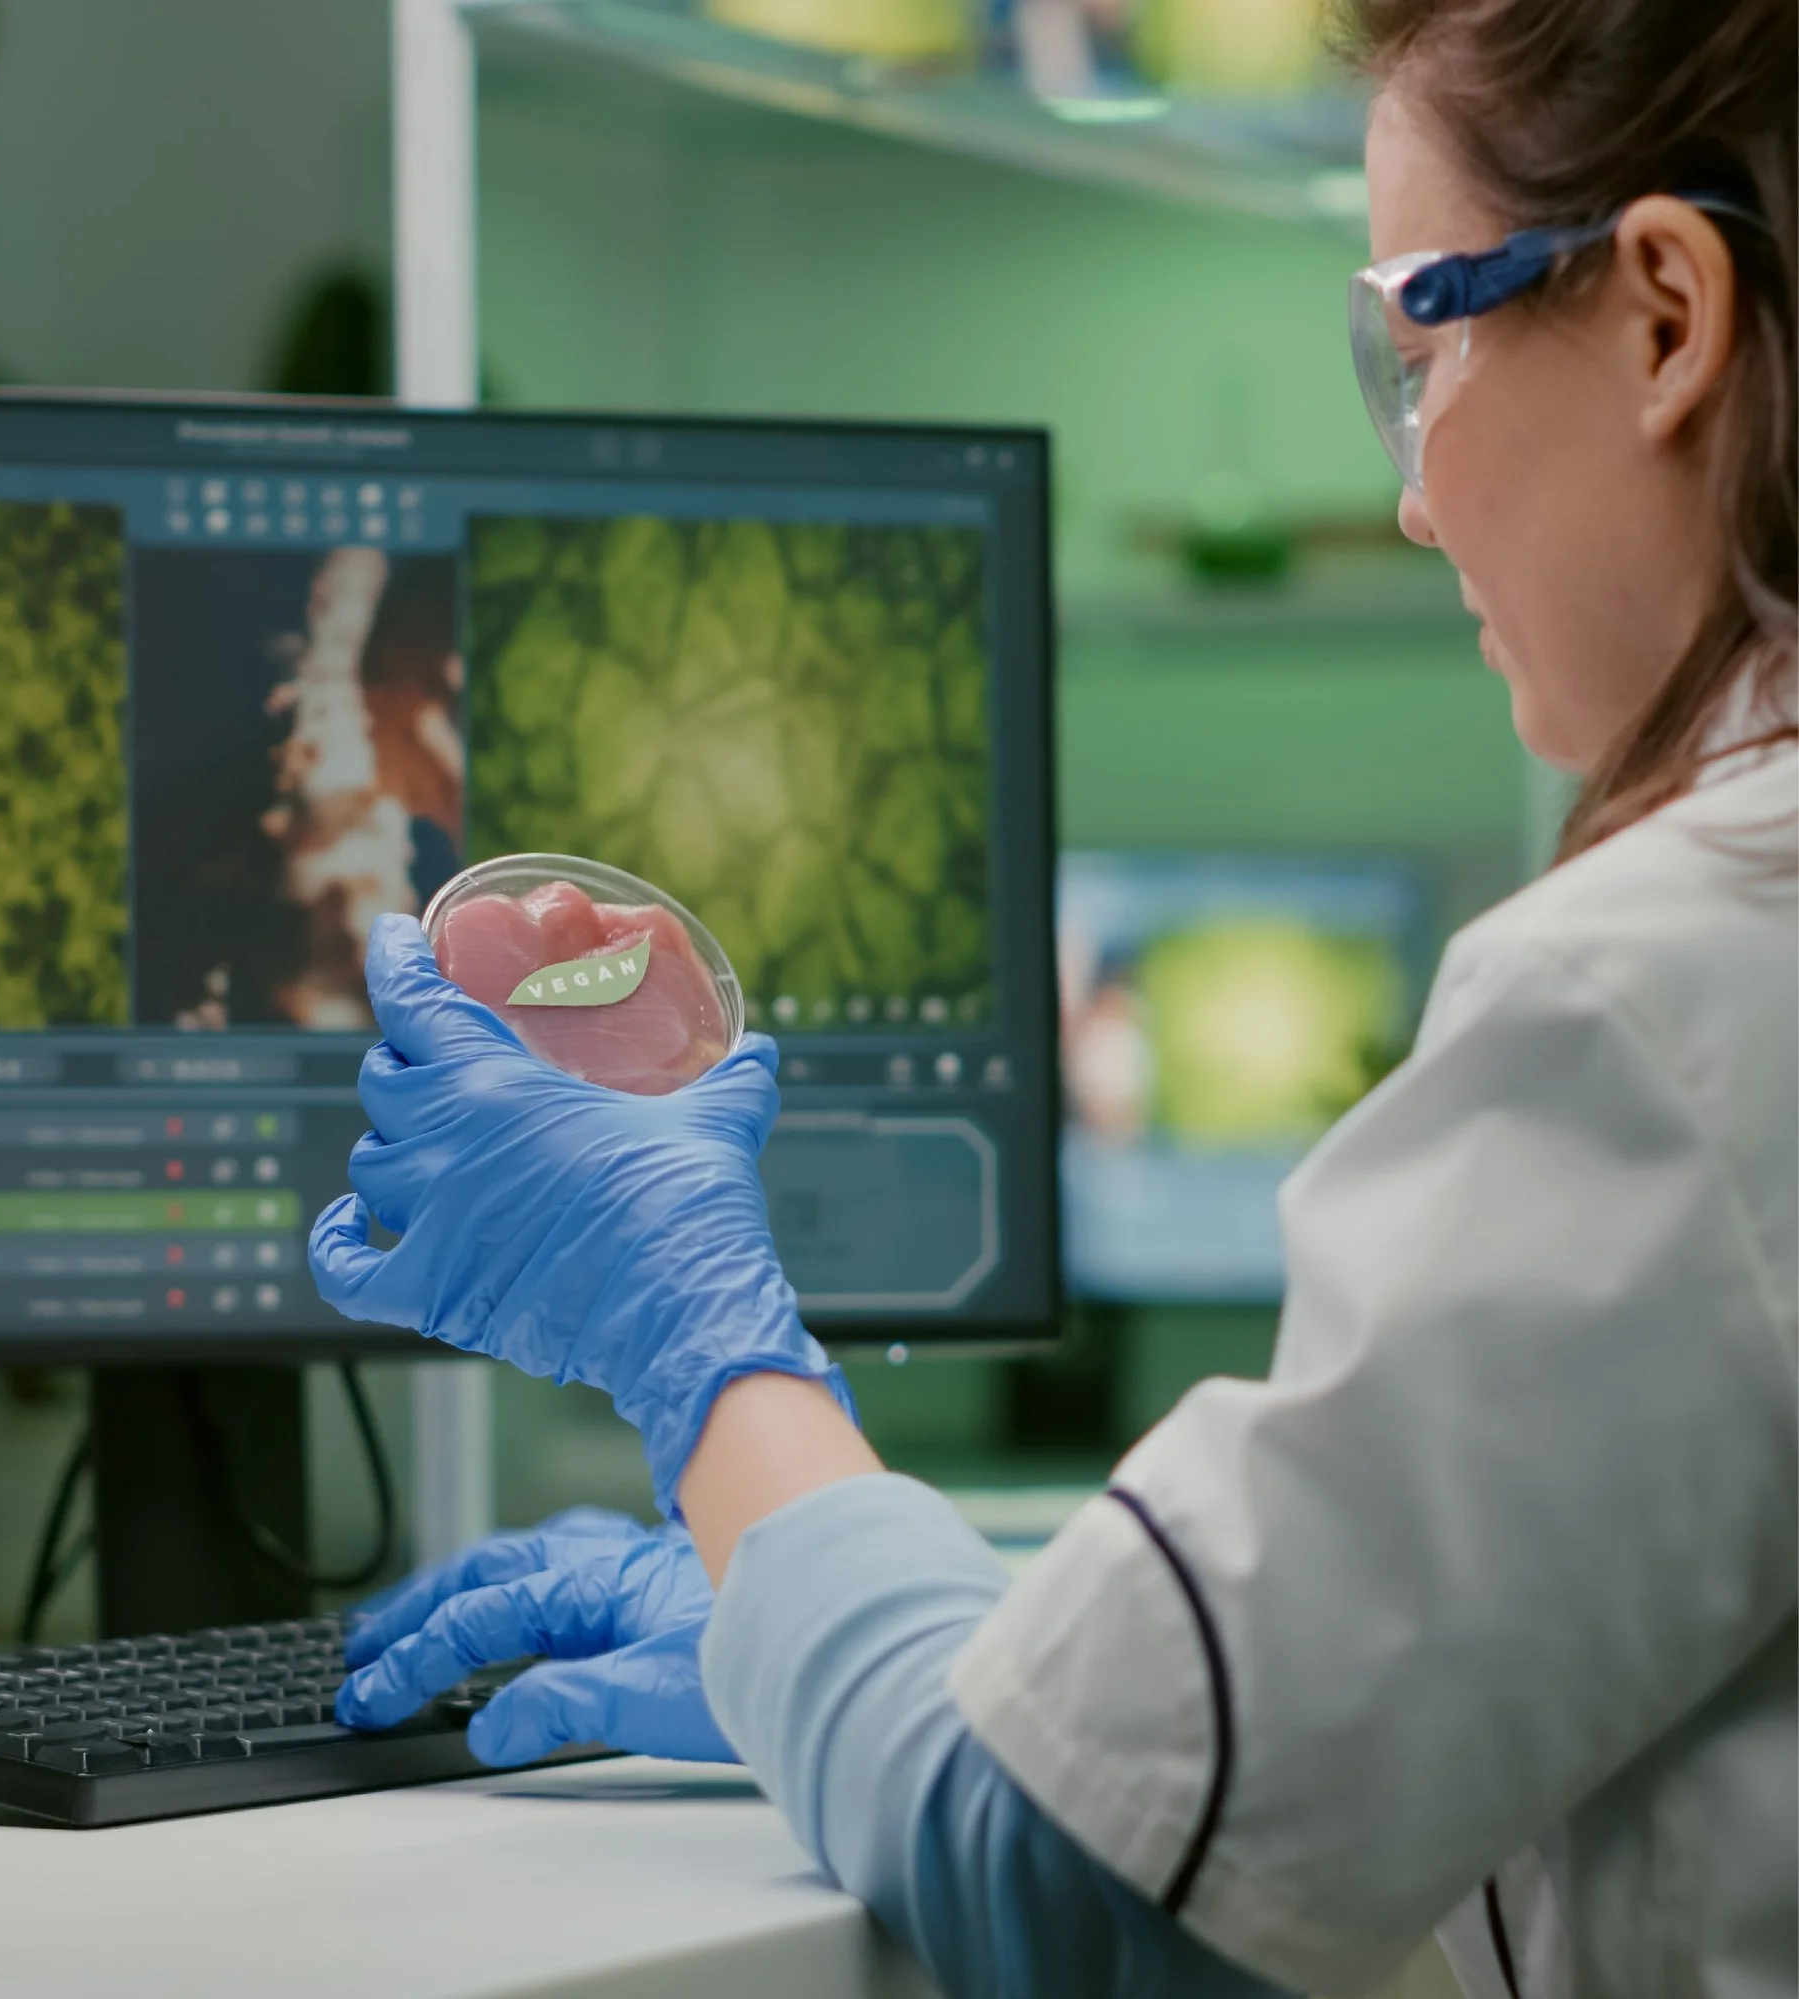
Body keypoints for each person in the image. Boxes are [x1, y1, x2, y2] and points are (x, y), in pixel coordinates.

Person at [310, 0, 1797, 1990]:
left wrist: (702, 1355)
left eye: (1414, 348)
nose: (1415, 497)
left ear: (1667, 319)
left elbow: (1065, 1889)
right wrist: (845, 1622)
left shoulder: (1670, 993)